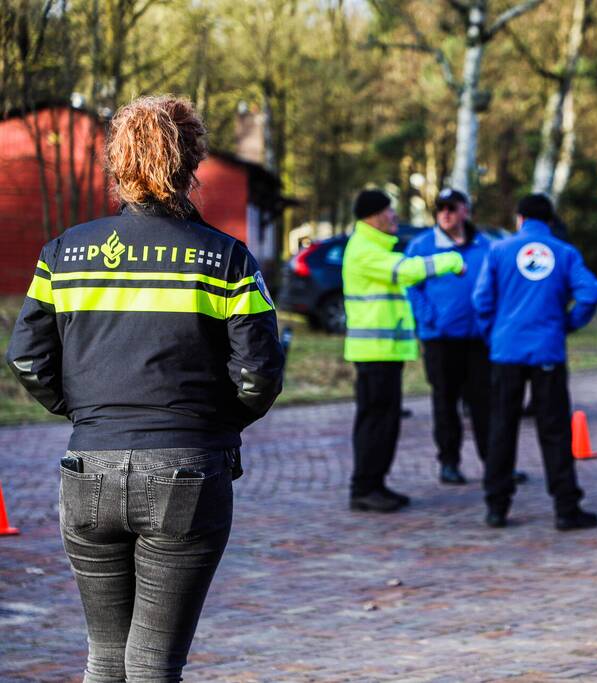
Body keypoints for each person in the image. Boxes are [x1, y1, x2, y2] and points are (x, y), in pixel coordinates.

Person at [5, 95, 285, 681]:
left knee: (105, 659)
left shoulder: (64, 253)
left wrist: (84, 412)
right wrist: (213, 428)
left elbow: (27, 358)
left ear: (117, 164)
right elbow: (258, 371)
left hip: (89, 470)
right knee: (154, 663)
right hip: (187, 473)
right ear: (191, 165)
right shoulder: (225, 258)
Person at [473, 193, 597, 531]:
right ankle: (565, 508)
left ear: (519, 219)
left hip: (506, 351)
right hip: (547, 351)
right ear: (551, 220)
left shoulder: (498, 251)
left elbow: (481, 299)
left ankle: (496, 507)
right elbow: (590, 292)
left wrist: (494, 335)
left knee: (502, 428)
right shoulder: (565, 252)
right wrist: (568, 323)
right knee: (555, 431)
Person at [343, 188, 465, 512]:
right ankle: (365, 488)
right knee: (376, 423)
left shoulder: (372, 247)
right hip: (375, 353)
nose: (395, 216)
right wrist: (452, 260)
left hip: (385, 352)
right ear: (374, 216)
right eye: (389, 211)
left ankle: (375, 484)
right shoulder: (364, 249)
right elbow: (406, 271)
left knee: (384, 423)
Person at [405, 188, 507, 485]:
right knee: (445, 401)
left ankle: (494, 463)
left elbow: (497, 287)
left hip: (478, 340)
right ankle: (449, 462)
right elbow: (411, 286)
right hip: (440, 339)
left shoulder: (486, 246)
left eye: (452, 207)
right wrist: (429, 318)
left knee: (484, 402)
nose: (445, 213)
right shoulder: (422, 245)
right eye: (440, 209)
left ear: (466, 211)